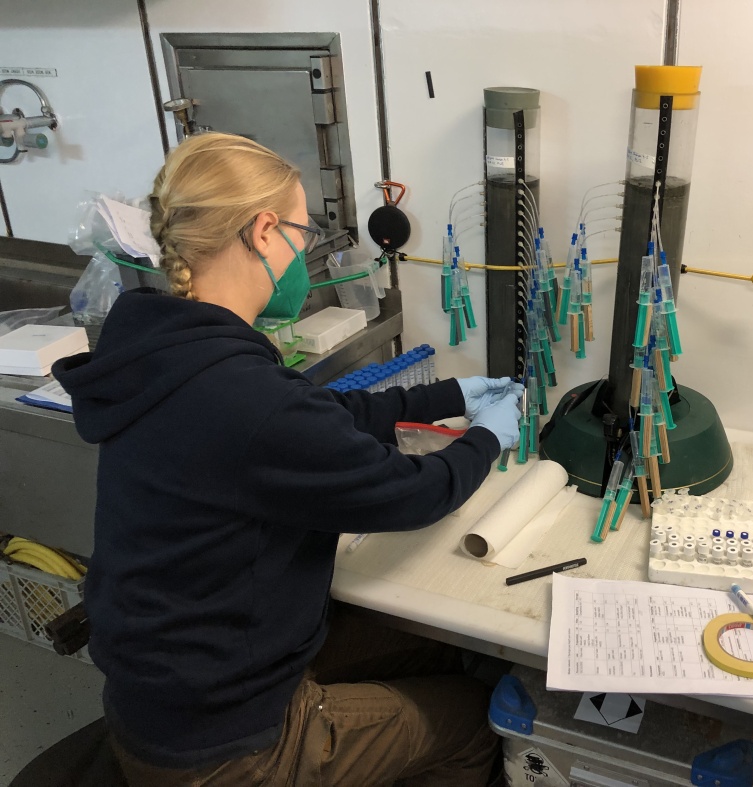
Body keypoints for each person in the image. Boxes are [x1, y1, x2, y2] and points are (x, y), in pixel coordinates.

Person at [52, 132, 524, 786]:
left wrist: (452, 394)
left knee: (435, 650)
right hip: (226, 746)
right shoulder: (239, 393)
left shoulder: (162, 351)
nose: (307, 255)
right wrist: (488, 437)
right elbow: (412, 493)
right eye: (304, 235)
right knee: (472, 717)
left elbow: (312, 414)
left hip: (168, 700)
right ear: (264, 231)